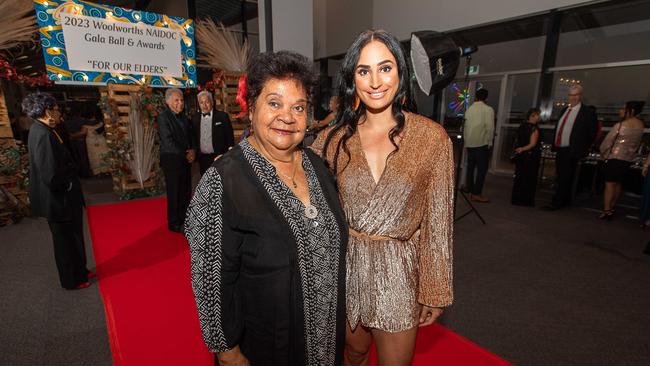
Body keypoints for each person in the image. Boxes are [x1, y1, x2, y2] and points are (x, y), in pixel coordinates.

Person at [184, 51, 348, 366]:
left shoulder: (319, 166)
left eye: (298, 107)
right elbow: (210, 281)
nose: (287, 116)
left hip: (326, 341)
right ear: (252, 107)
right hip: (266, 348)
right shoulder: (222, 181)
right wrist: (228, 352)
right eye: (274, 103)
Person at [313, 29, 454, 366]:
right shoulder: (332, 140)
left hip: (399, 271)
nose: (375, 81)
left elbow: (439, 221)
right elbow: (298, 186)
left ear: (401, 73)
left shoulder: (431, 138)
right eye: (364, 71)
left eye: (385, 68)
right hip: (347, 269)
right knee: (353, 354)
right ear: (352, 79)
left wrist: (434, 289)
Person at [22, 92, 93, 290]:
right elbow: (49, 173)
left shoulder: (44, 129)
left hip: (63, 199)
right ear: (46, 111)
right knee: (65, 242)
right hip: (59, 200)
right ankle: (72, 280)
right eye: (55, 108)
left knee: (74, 237)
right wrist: (67, 186)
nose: (59, 112)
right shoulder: (42, 133)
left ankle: (80, 270)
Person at [542, 84, 598, 210]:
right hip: (560, 149)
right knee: (560, 175)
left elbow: (592, 133)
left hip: (572, 150)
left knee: (565, 176)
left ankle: (556, 203)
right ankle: (564, 200)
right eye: (570, 95)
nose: (572, 98)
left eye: (575, 95)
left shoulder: (587, 112)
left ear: (580, 96)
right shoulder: (564, 110)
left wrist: (583, 147)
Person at [598, 101, 645, 219]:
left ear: (631, 111)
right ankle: (612, 206)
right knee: (618, 183)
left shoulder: (621, 125)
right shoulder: (641, 125)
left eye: (624, 108)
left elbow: (607, 142)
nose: (621, 111)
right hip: (628, 159)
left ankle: (606, 210)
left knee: (609, 184)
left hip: (615, 158)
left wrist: (603, 153)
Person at [157, 88, 195, 233]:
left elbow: (190, 136)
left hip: (185, 160)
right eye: (176, 100)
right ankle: (174, 223)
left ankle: (185, 219)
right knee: (175, 192)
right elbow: (168, 141)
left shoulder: (184, 117)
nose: (180, 103)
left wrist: (192, 150)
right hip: (172, 160)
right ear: (168, 102)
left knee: (185, 191)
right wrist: (186, 154)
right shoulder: (163, 117)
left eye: (181, 100)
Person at [191, 90, 235, 176]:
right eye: (201, 102)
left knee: (221, 182)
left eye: (207, 102)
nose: (204, 105)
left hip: (219, 157)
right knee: (206, 183)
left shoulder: (222, 116)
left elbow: (229, 136)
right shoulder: (195, 119)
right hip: (203, 159)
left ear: (212, 102)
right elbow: (193, 136)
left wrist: (229, 154)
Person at [463, 88, 495, 203]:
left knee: (470, 168)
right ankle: (476, 194)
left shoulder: (469, 109)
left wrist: (466, 142)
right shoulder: (488, 109)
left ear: (476, 97)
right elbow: (490, 128)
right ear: (486, 98)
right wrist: (490, 142)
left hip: (470, 143)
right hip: (482, 143)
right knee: (481, 170)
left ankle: (470, 189)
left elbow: (465, 127)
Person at [511, 108, 542, 206]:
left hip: (521, 156)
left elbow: (517, 139)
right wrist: (523, 149)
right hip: (530, 157)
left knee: (519, 177)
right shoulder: (534, 129)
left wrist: (519, 149)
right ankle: (525, 201)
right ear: (532, 115)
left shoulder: (522, 126)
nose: (539, 117)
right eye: (538, 115)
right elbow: (532, 144)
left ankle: (516, 199)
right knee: (529, 178)